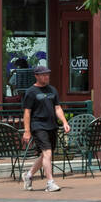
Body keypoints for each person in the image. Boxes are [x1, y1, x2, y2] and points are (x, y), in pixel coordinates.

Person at [21, 64, 71, 192]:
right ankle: (50, 182)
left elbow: (57, 108)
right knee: (47, 153)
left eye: (47, 74)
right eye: (43, 74)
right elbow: (27, 112)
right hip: (38, 125)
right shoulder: (31, 92)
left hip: (52, 125)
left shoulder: (52, 90)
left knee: (45, 155)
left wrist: (64, 122)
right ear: (36, 76)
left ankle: (28, 175)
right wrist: (27, 131)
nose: (46, 76)